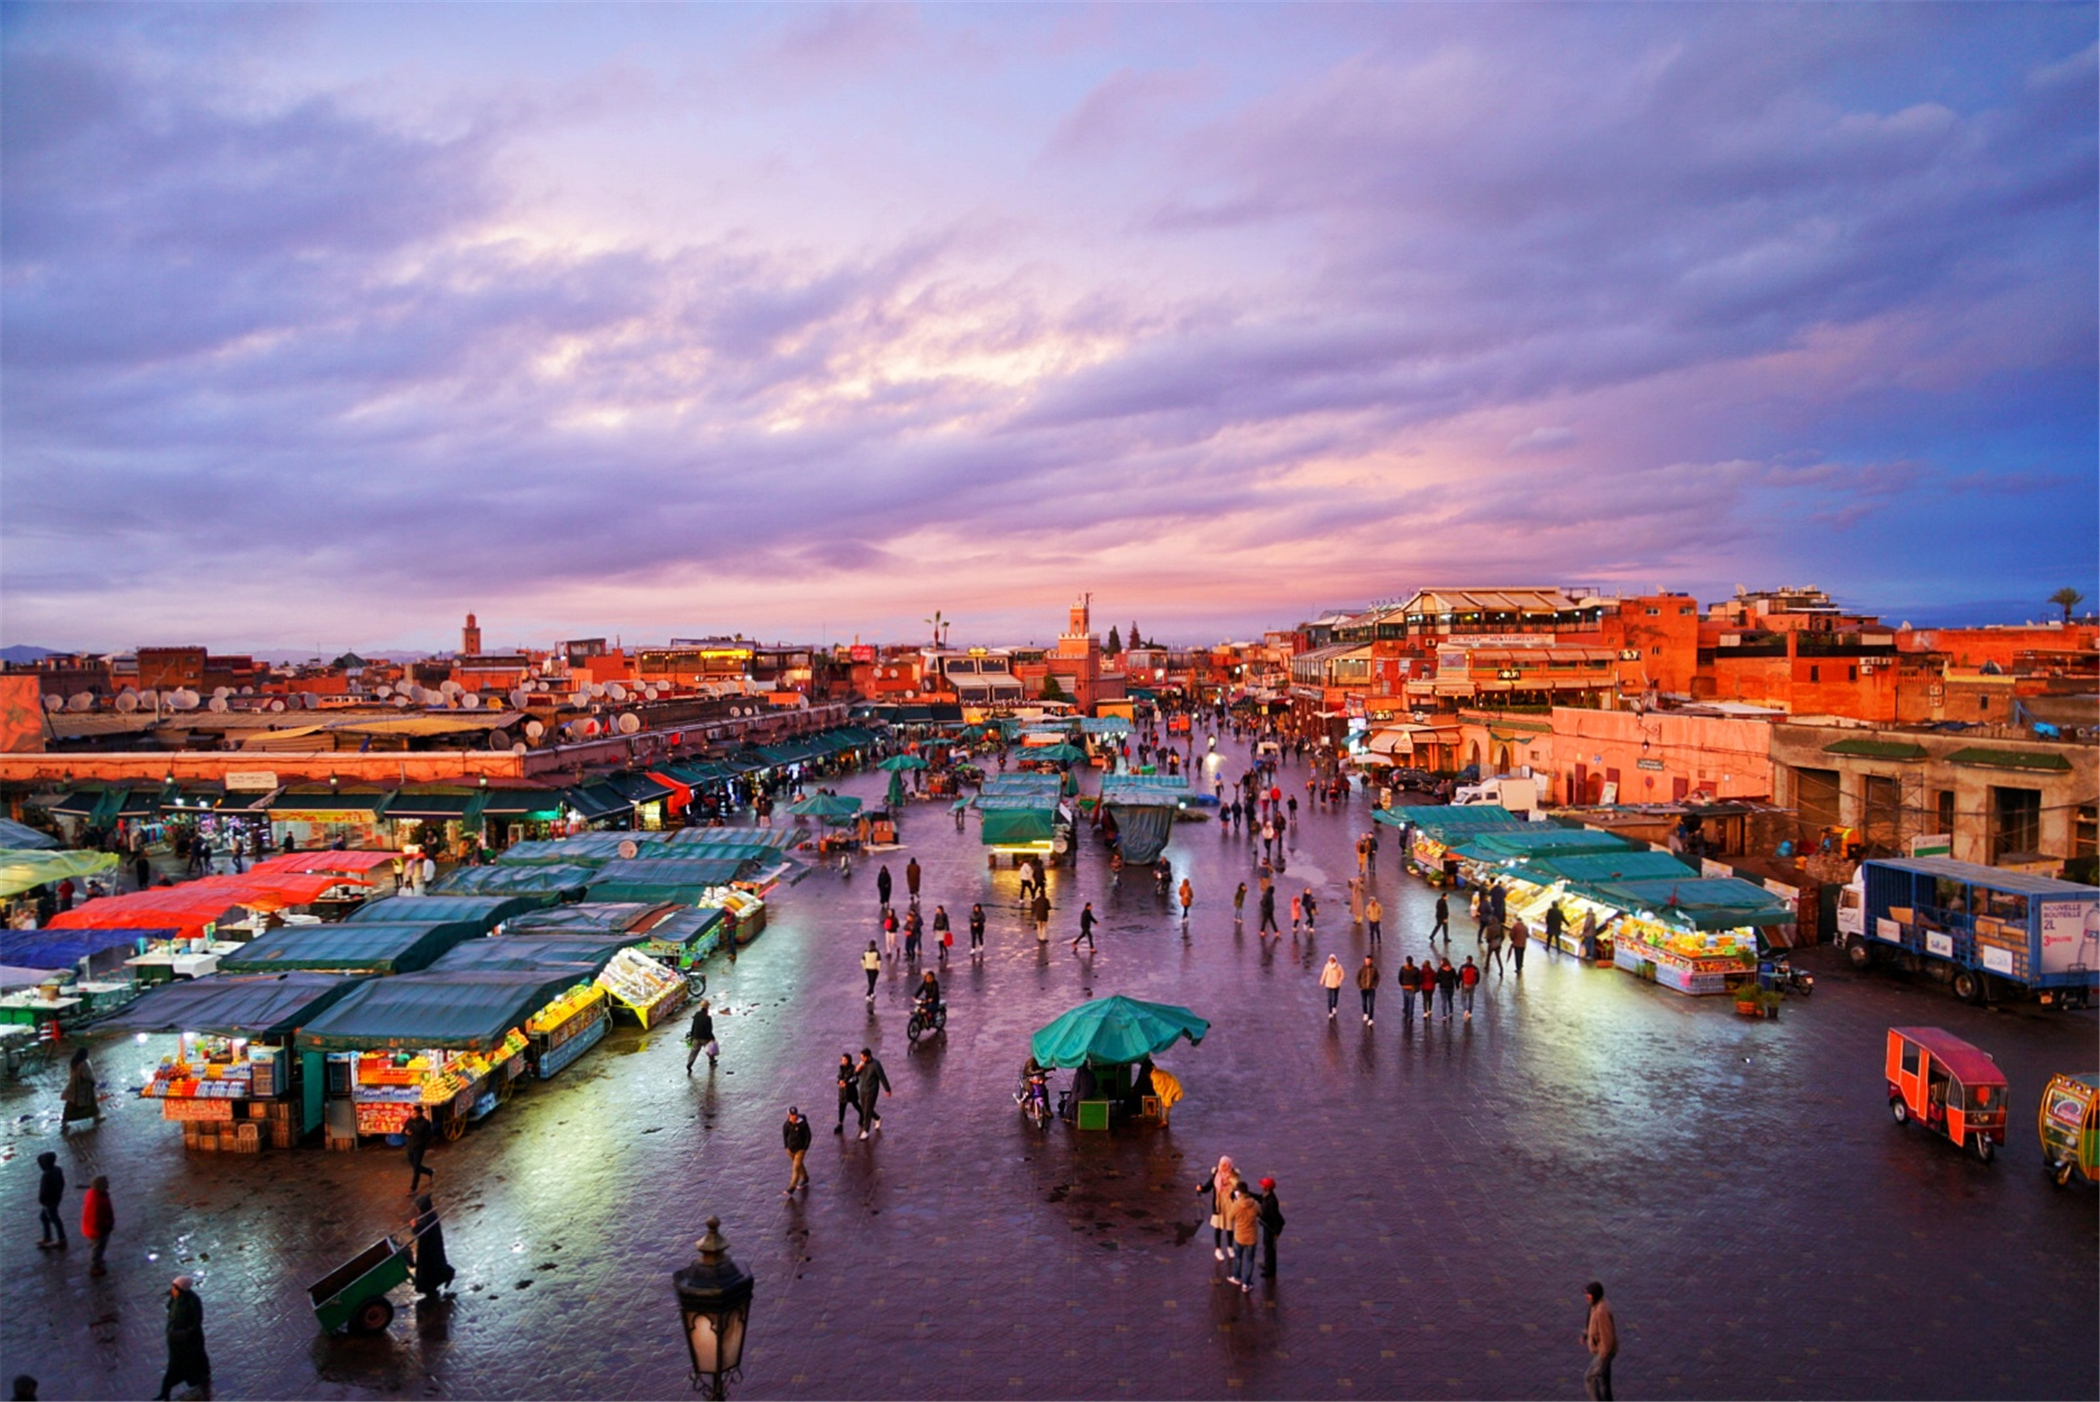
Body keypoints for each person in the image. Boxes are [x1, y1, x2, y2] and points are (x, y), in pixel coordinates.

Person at [153, 1275, 209, 1402]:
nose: (172, 1289)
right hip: (175, 1338)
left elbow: (197, 1321)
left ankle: (166, 1391)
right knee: (180, 1364)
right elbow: (170, 1309)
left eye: (174, 1287)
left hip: (187, 1340)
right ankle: (166, 1392)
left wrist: (186, 1332)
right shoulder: (175, 1297)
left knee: (177, 1365)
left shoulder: (193, 1300)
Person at [1194, 1155, 1242, 1263]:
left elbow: (1239, 1188)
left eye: (1225, 1165)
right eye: (1222, 1165)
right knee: (1219, 1228)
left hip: (1230, 1204)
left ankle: (1230, 1247)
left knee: (1230, 1227)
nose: (1223, 1167)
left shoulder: (1234, 1175)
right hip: (1219, 1204)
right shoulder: (1216, 1175)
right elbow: (1208, 1187)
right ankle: (1218, 1249)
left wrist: (1239, 1193)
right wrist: (1201, 1188)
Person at [408, 1194, 453, 1298]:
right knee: (433, 1267)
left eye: (418, 1207)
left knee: (432, 1267)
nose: (417, 1210)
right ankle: (433, 1285)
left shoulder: (429, 1218)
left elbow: (421, 1232)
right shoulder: (429, 1215)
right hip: (430, 1247)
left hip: (430, 1248)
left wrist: (414, 1226)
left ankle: (442, 1278)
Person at [1583, 1280, 1618, 1401]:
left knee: (1589, 1378)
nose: (1586, 1297)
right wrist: (1586, 1335)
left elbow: (1608, 1338)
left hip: (1604, 1352)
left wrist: (1602, 1357)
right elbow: (1591, 1322)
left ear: (1595, 1295)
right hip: (1604, 1351)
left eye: (1589, 1295)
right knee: (1603, 1381)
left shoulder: (1601, 1311)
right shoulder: (1596, 1305)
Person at [1226, 1183, 1261, 1291]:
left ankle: (1236, 1277)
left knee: (1238, 1257)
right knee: (1250, 1260)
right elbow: (1260, 1214)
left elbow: (1230, 1217)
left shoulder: (1236, 1205)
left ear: (1239, 1193)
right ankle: (1246, 1284)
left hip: (1239, 1236)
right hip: (1252, 1237)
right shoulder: (1255, 1204)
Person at [854, 1048, 891, 1139]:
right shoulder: (861, 1063)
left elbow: (882, 1076)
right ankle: (877, 1118)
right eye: (861, 1057)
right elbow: (855, 1074)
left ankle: (865, 1130)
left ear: (868, 1056)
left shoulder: (876, 1064)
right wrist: (857, 1070)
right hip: (862, 1089)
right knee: (865, 1108)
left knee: (867, 1110)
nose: (861, 1059)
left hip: (871, 1090)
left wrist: (887, 1089)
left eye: (863, 1057)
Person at [400, 1104, 436, 1195]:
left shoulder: (425, 1123)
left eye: (415, 1113)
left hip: (419, 1147)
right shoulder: (409, 1121)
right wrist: (406, 1132)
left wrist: (422, 1142)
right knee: (414, 1164)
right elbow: (403, 1130)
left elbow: (428, 1135)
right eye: (412, 1112)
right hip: (410, 1146)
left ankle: (413, 1188)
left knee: (416, 1168)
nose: (412, 1114)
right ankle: (429, 1171)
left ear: (420, 1114)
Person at [60, 1047, 99, 1131]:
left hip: (73, 1086)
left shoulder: (74, 1062)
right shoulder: (84, 1063)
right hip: (84, 1087)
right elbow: (87, 1076)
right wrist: (93, 1081)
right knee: (91, 1102)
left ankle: (65, 1121)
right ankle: (96, 1116)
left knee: (71, 1104)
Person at [1256, 1177, 1285, 1279]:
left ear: (1267, 1188)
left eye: (1263, 1185)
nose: (1261, 1186)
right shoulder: (1267, 1196)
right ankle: (1268, 1265)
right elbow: (1259, 1198)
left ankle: (1270, 1270)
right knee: (1267, 1246)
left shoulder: (1271, 1201)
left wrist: (1258, 1214)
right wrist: (1249, 1194)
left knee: (1269, 1248)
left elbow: (1272, 1216)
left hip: (1271, 1228)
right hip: (1267, 1226)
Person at [36, 1152, 65, 1250]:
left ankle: (61, 1238)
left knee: (54, 1219)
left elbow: (44, 1190)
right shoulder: (57, 1170)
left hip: (48, 1202)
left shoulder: (46, 1175)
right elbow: (62, 1183)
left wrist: (42, 1200)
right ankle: (47, 1237)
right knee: (44, 1217)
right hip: (55, 1199)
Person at [781, 1107, 812, 1196]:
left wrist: (805, 1147)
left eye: (795, 1115)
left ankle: (791, 1188)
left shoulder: (802, 1124)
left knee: (795, 1168)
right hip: (791, 1149)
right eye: (792, 1115)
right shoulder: (786, 1125)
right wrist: (786, 1146)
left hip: (800, 1149)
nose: (794, 1117)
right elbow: (785, 1135)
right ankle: (805, 1178)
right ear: (788, 1115)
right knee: (799, 1165)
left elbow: (808, 1136)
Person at [685, 1000, 718, 1074]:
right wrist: (712, 1038)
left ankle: (689, 1064)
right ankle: (712, 1061)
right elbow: (709, 1029)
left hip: (696, 1036)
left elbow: (693, 1026)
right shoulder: (708, 1017)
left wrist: (693, 1035)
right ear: (707, 1007)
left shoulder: (697, 1014)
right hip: (705, 1037)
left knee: (693, 1052)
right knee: (710, 1050)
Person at [835, 1052, 860, 1133]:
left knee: (855, 1104)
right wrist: (839, 1081)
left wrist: (847, 1083)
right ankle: (840, 1124)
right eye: (842, 1059)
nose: (843, 1061)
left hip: (850, 1091)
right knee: (841, 1108)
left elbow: (855, 1079)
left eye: (845, 1059)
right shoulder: (841, 1068)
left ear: (848, 1060)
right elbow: (839, 1076)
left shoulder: (853, 1068)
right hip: (842, 1092)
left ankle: (862, 1115)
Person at [1356, 954, 1380, 1024]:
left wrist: (1374, 985)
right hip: (1363, 988)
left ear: (1371, 961)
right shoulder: (1362, 968)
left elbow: (1377, 978)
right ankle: (1365, 1013)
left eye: (1368, 961)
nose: (1367, 962)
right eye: (1366, 960)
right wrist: (1360, 986)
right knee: (1364, 1002)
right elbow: (1358, 977)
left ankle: (1371, 1018)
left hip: (1371, 989)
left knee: (1371, 1004)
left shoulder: (1374, 969)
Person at [1397, 957, 1421, 1022]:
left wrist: (1402, 984)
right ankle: (1410, 1016)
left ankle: (1406, 1011)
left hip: (1405, 987)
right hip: (1412, 988)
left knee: (1406, 1001)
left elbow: (1400, 978)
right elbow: (1419, 979)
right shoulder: (1415, 970)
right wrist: (1416, 985)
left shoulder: (1403, 969)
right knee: (1411, 1003)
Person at [1460, 955, 1481, 1019]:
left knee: (1463, 999)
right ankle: (1470, 1012)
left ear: (1467, 960)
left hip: (1465, 985)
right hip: (1472, 985)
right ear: (1472, 961)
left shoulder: (1463, 967)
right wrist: (1475, 983)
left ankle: (1465, 1010)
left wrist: (1458, 983)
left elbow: (1459, 976)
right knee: (1471, 999)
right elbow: (1478, 977)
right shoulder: (1475, 968)